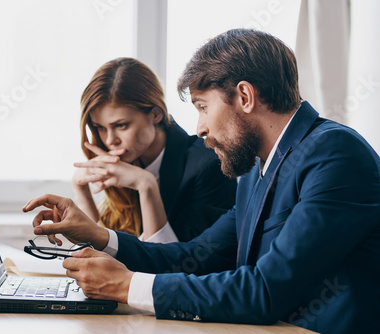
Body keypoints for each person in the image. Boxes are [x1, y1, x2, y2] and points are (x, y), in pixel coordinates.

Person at [23, 29, 380, 333]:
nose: (199, 129)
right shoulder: (257, 169)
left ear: (244, 97)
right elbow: (196, 256)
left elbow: (266, 291)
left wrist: (127, 285)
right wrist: (100, 236)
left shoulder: (334, 154)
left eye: (203, 106)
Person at [70, 57, 236, 242]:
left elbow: (185, 264)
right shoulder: (125, 165)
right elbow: (98, 256)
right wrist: (81, 190)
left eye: (121, 125)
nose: (110, 140)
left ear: (156, 114)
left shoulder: (208, 165)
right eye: (100, 127)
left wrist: (146, 185)